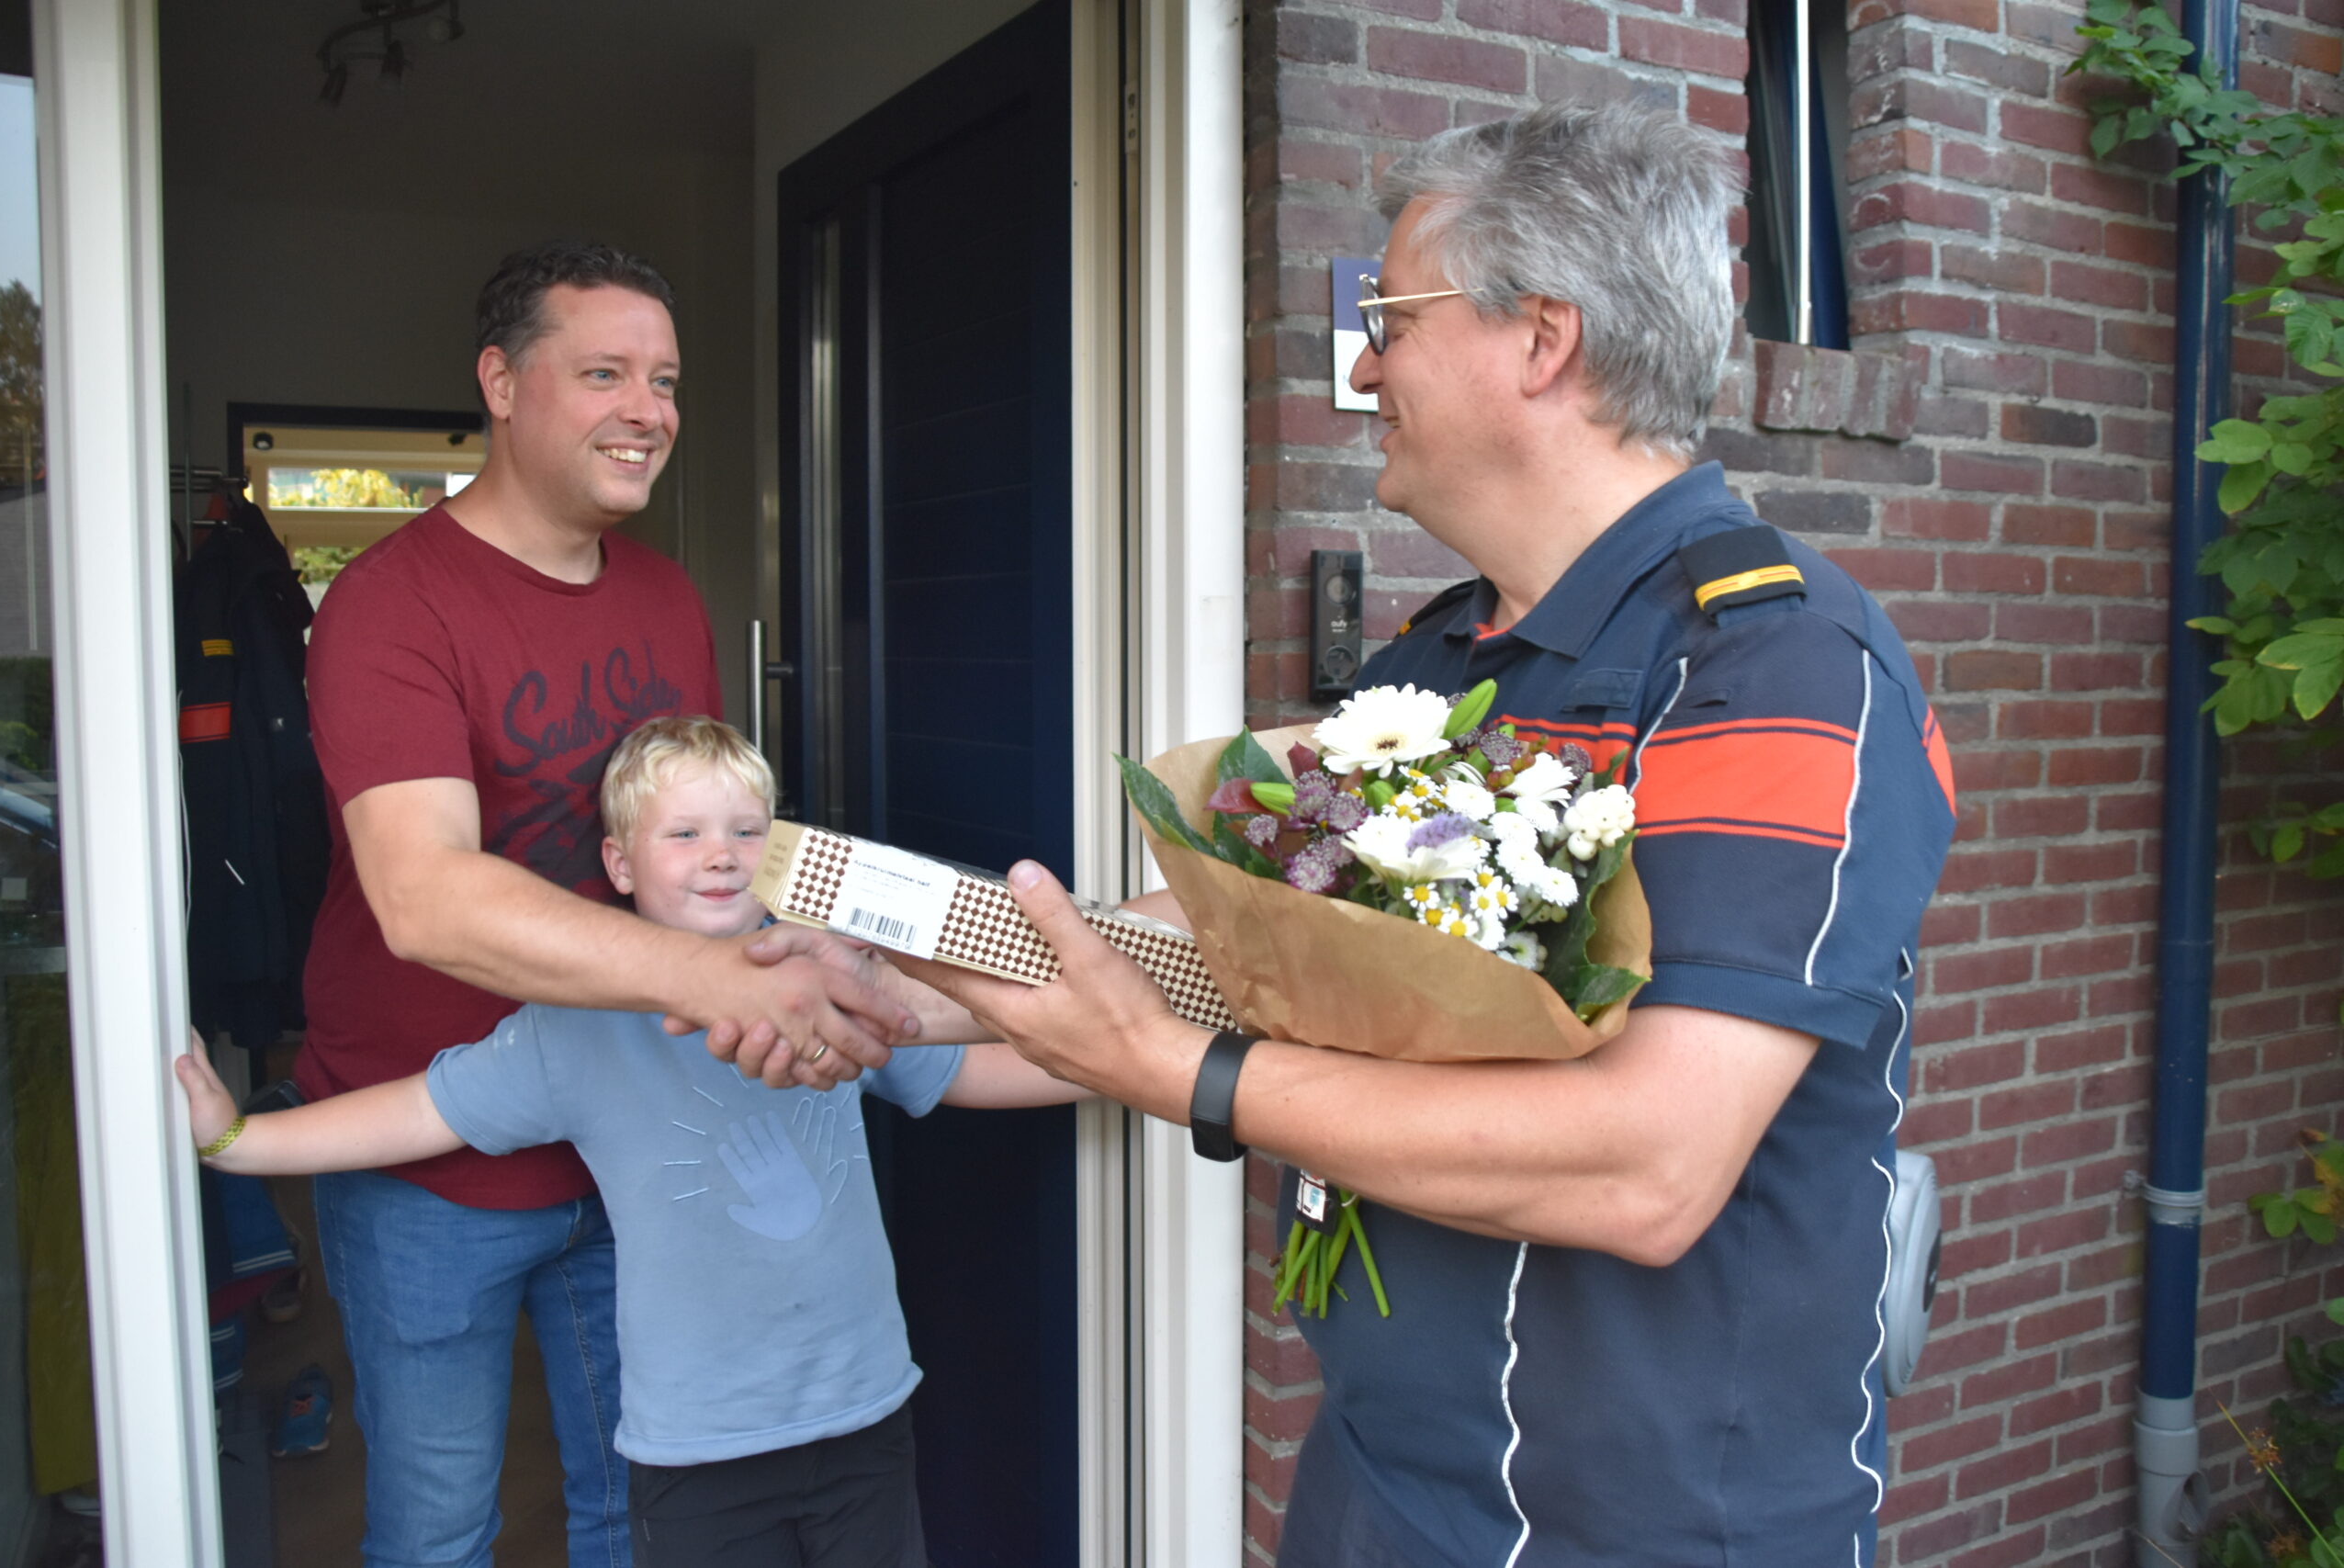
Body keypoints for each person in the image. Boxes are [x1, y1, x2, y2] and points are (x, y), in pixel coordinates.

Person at [808, 104, 1955, 1566]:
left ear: (1542, 340)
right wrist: (909, 980)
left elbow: (1650, 1164)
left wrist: (1187, 1076)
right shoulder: (1438, 664)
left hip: (1656, 1531)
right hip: (1379, 1489)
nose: (1361, 366)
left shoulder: (1775, 671)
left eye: (1391, 318)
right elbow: (1245, 949)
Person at [299, 243, 919, 1568]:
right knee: (439, 1527)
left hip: (634, 1145)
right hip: (428, 1158)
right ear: (502, 382)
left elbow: (700, 847)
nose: (649, 408)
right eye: (604, 373)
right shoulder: (388, 602)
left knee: (623, 1512)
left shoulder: (664, 594)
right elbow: (424, 897)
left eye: (666, 379)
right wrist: (718, 985)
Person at [183, 717, 1066, 1568]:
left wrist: (1151, 1071)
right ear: (618, 862)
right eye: (684, 832)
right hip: (697, 1449)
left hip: (865, 1413)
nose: (722, 853)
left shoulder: (823, 975)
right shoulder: (576, 1027)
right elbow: (422, 1111)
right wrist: (237, 1139)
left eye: (747, 830)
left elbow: (968, 1068)